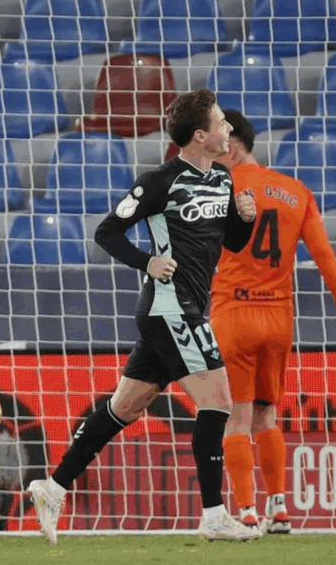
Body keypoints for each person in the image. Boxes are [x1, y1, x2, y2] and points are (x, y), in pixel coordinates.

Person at [28, 89, 261, 543]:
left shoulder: (222, 179)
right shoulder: (160, 182)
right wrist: (147, 262)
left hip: (183, 308)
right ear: (200, 136)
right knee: (217, 402)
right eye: (221, 122)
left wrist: (245, 219)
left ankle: (52, 487)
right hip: (170, 307)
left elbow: (231, 243)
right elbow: (107, 231)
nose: (229, 128)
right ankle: (214, 514)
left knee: (125, 408)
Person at [212, 109, 336, 534]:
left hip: (233, 314)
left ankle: (246, 511)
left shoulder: (219, 190)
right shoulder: (296, 192)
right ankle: (279, 509)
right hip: (278, 318)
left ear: (233, 146)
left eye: (217, 149)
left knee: (236, 415)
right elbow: (324, 255)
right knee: (267, 413)